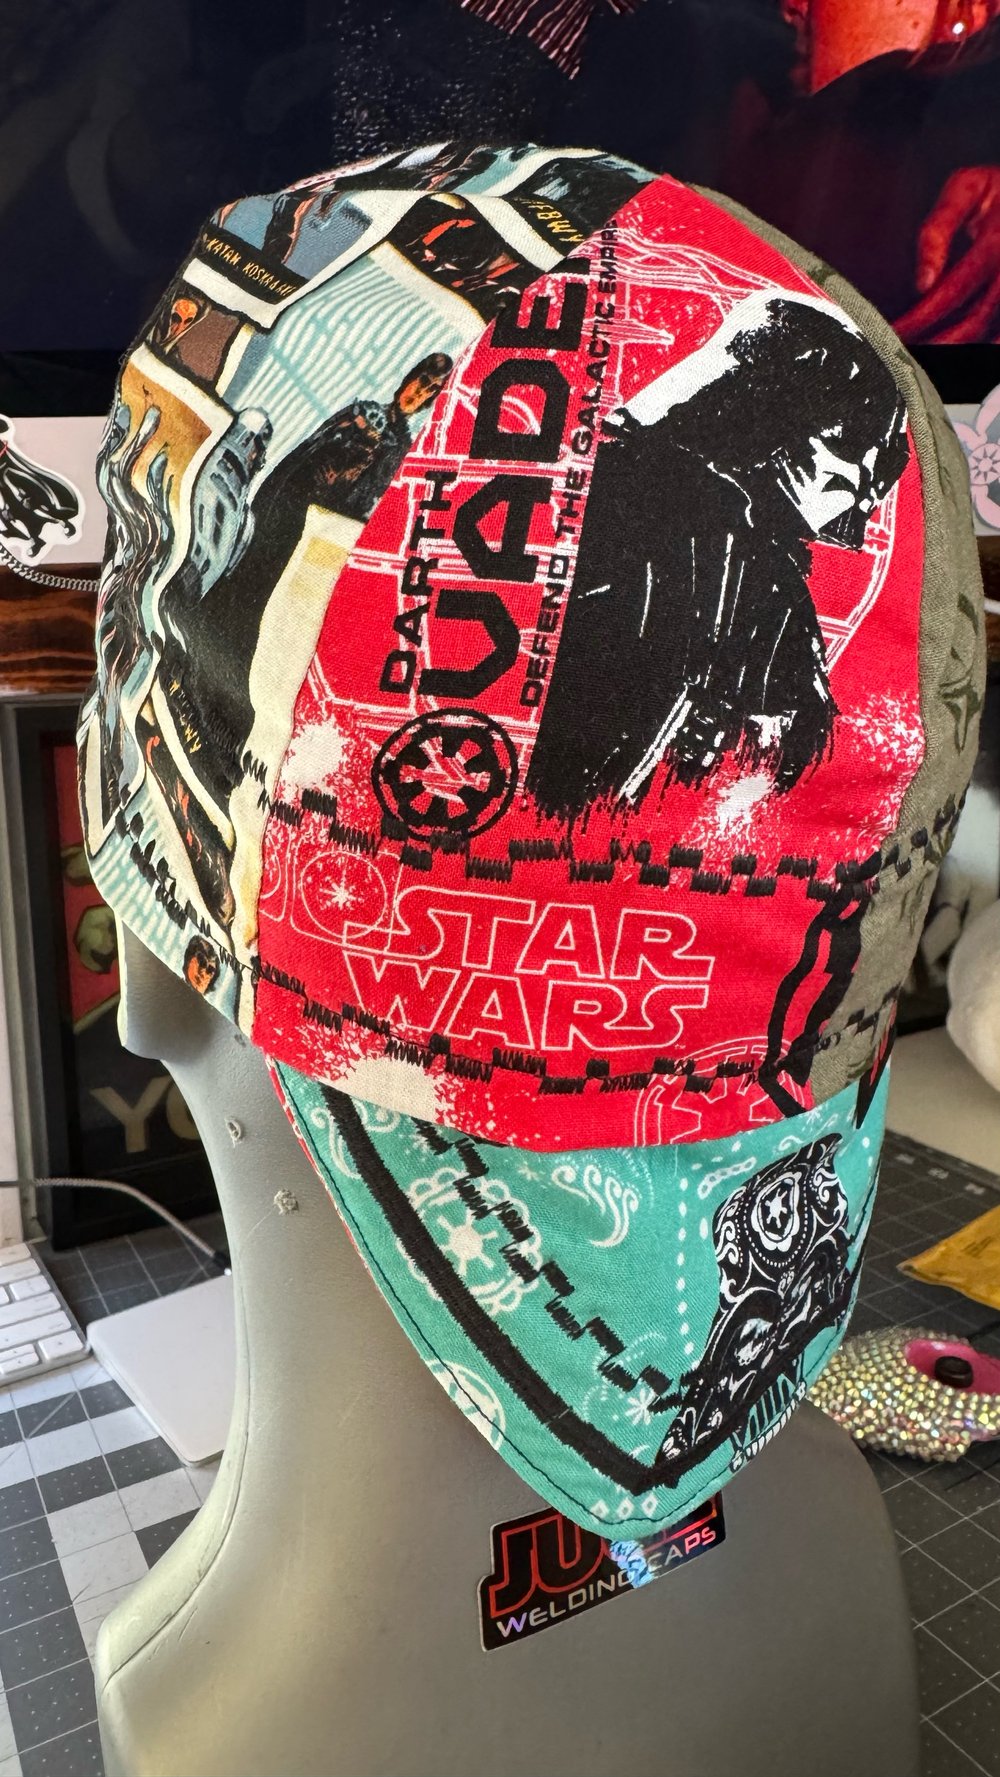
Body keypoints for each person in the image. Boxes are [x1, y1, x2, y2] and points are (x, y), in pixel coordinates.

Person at [527, 295, 910, 819]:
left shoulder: (764, 568)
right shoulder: (693, 529)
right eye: (846, 440)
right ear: (766, 411)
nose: (862, 481)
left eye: (882, 462)